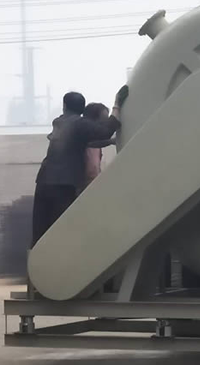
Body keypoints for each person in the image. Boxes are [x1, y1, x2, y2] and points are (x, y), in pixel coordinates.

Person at [32, 86, 128, 248]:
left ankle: (36, 260)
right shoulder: (79, 124)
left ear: (64, 106)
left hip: (44, 181)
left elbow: (83, 142)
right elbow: (105, 131)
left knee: (40, 228)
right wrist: (117, 106)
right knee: (61, 229)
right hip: (64, 184)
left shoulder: (59, 122)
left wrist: (109, 142)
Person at [81, 103, 116, 190]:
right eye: (104, 120)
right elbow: (92, 171)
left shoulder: (85, 139)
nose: (106, 124)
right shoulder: (89, 145)